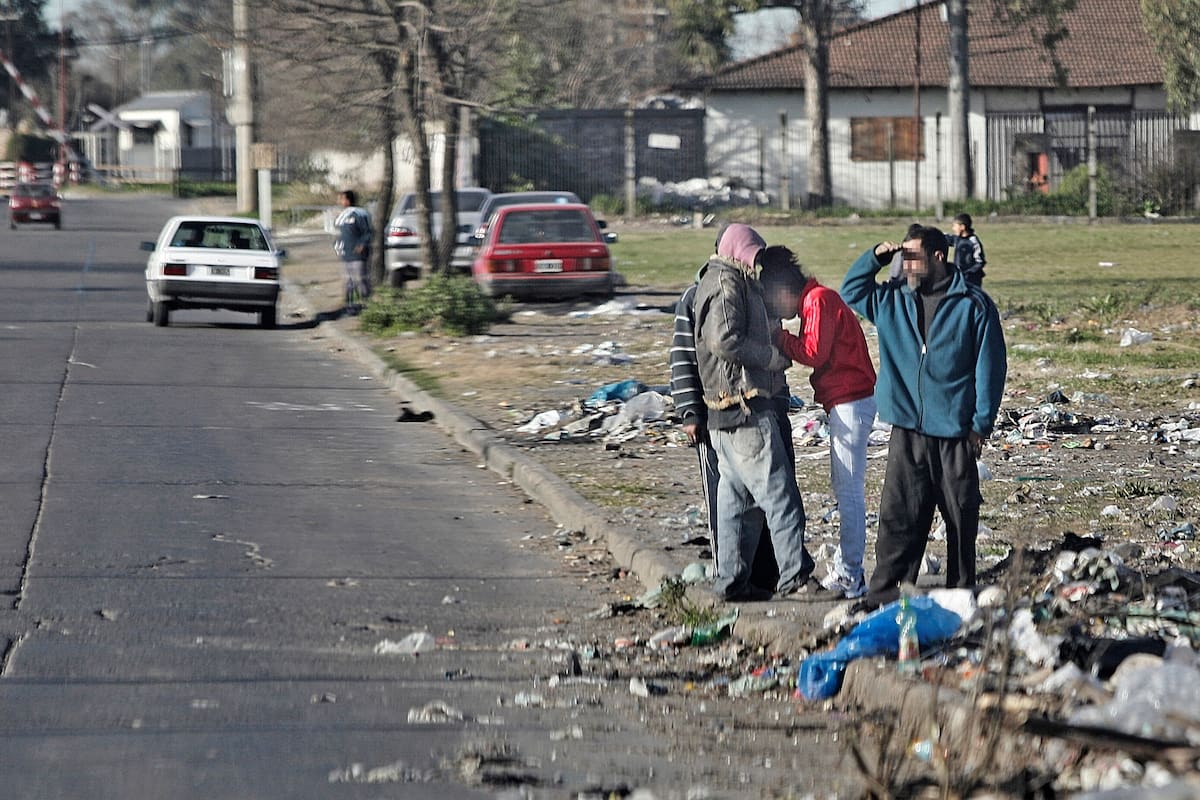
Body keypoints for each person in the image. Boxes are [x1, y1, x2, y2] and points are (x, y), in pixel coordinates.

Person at [840, 226, 1006, 609]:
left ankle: (959, 595)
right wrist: (877, 257)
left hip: (955, 432)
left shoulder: (973, 305)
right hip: (907, 431)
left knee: (960, 517)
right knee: (899, 516)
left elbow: (990, 368)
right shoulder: (892, 300)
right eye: (904, 257)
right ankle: (887, 595)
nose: (907, 264)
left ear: (937, 256)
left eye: (913, 256)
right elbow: (852, 290)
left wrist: (980, 426)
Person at [692, 223, 816, 600]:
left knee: (736, 505)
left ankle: (731, 582)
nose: (757, 265)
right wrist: (772, 358)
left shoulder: (710, 281)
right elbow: (724, 339)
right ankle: (795, 578)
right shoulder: (727, 281)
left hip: (721, 412)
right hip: (744, 405)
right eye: (754, 255)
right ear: (738, 251)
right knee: (780, 496)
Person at [758, 245, 877, 599]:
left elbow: (813, 352)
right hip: (846, 400)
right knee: (845, 489)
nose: (778, 312)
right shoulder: (818, 299)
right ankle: (848, 568)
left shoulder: (818, 301)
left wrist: (778, 338)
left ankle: (851, 573)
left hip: (850, 401)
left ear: (782, 291)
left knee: (850, 492)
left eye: (773, 303)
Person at [670, 230, 780, 596]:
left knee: (764, 499)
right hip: (716, 415)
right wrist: (689, 412)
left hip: (760, 408)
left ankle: (764, 576)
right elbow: (684, 358)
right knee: (728, 501)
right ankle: (729, 573)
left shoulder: (753, 291)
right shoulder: (699, 295)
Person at [334, 189, 373, 314]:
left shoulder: (359, 214)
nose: (340, 201)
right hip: (346, 255)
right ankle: (349, 306)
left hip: (358, 256)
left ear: (348, 200)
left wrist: (362, 244)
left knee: (361, 280)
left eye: (342, 199)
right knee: (347, 282)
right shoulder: (342, 216)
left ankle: (367, 303)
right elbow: (339, 234)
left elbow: (368, 232)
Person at [947, 212, 986, 285]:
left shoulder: (973, 242)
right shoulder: (957, 239)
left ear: (962, 227)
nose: (953, 228)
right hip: (961, 277)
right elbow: (945, 238)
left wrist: (968, 273)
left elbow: (980, 262)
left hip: (972, 279)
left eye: (954, 226)